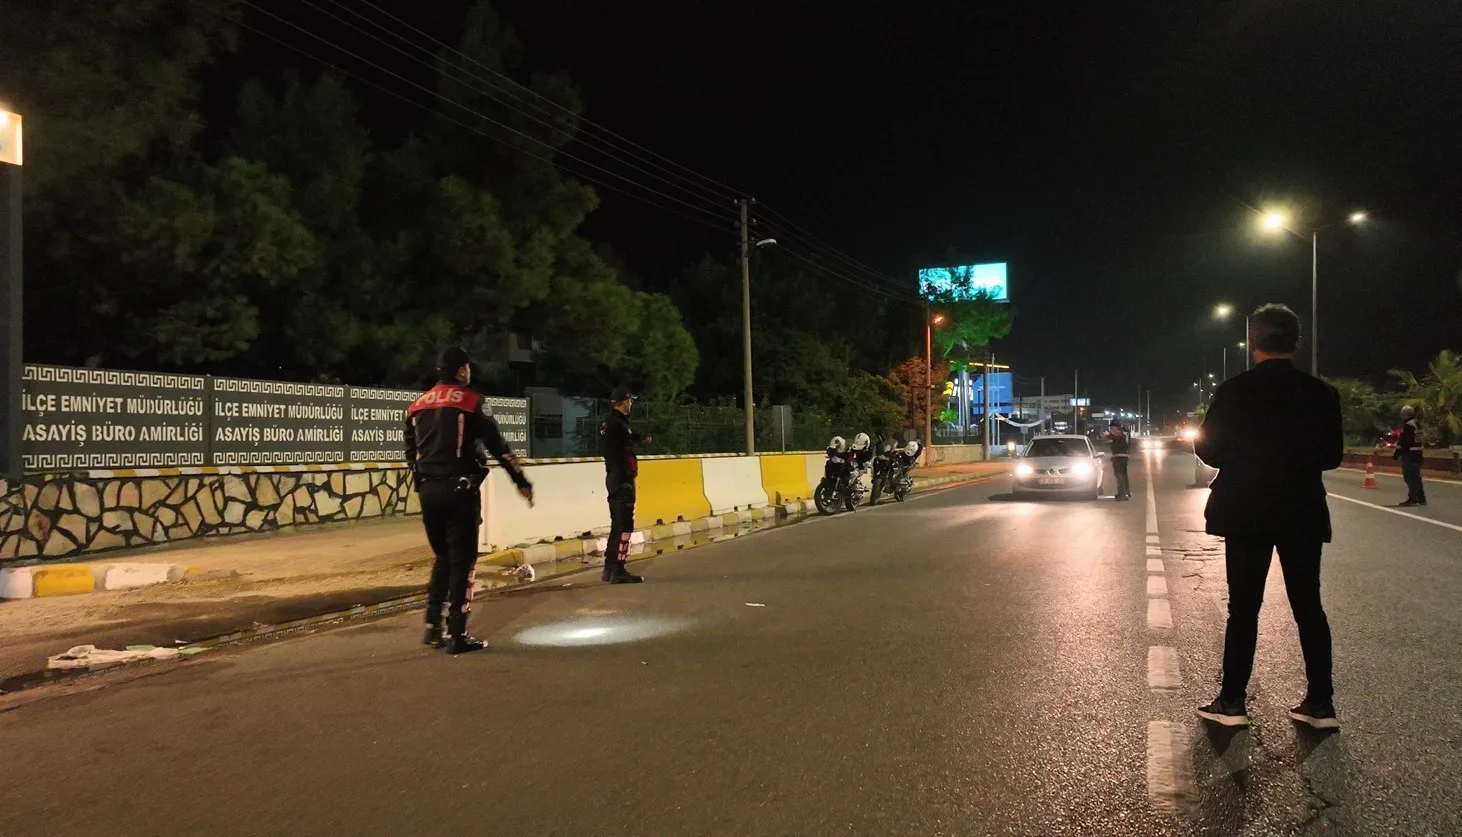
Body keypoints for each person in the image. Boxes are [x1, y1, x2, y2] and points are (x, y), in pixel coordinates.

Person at [1194, 304, 1343, 729]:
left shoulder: (1234, 391)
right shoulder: (1321, 393)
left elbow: (1209, 448)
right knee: (1308, 606)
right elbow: (1331, 456)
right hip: (1302, 510)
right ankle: (1320, 705)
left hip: (1246, 512)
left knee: (1244, 608)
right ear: (1297, 343)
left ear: (1254, 344)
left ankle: (1232, 703)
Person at [405, 347, 534, 654]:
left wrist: (421, 482)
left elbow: (411, 454)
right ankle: (457, 634)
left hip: (428, 491)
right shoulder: (471, 401)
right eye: (467, 368)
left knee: (443, 558)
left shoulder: (416, 406)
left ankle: (432, 627)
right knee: (463, 562)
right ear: (461, 371)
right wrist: (520, 481)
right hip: (459, 489)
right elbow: (498, 445)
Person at [601, 386, 652, 584]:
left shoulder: (611, 422)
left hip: (614, 478)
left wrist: (639, 438)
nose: (631, 404)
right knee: (625, 526)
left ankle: (609, 567)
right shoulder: (618, 424)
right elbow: (626, 444)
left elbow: (629, 436)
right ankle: (619, 570)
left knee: (617, 525)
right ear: (624, 401)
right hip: (622, 479)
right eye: (630, 401)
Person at [1395, 405, 1427, 507]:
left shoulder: (1408, 425)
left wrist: (1397, 454)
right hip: (1418, 454)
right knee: (1417, 478)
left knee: (1409, 478)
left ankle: (1412, 499)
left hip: (1409, 455)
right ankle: (1421, 498)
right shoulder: (1417, 424)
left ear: (1405, 415)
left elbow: (1405, 442)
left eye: (1402, 414)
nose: (1401, 416)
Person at [1102, 419, 1132, 500]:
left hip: (1119, 457)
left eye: (1112, 428)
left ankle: (1122, 494)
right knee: (1123, 475)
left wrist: (1107, 435)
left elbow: (1114, 437)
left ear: (1116, 427)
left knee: (1119, 476)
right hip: (1124, 456)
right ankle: (1126, 492)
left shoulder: (1120, 433)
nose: (1111, 429)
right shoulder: (1125, 433)